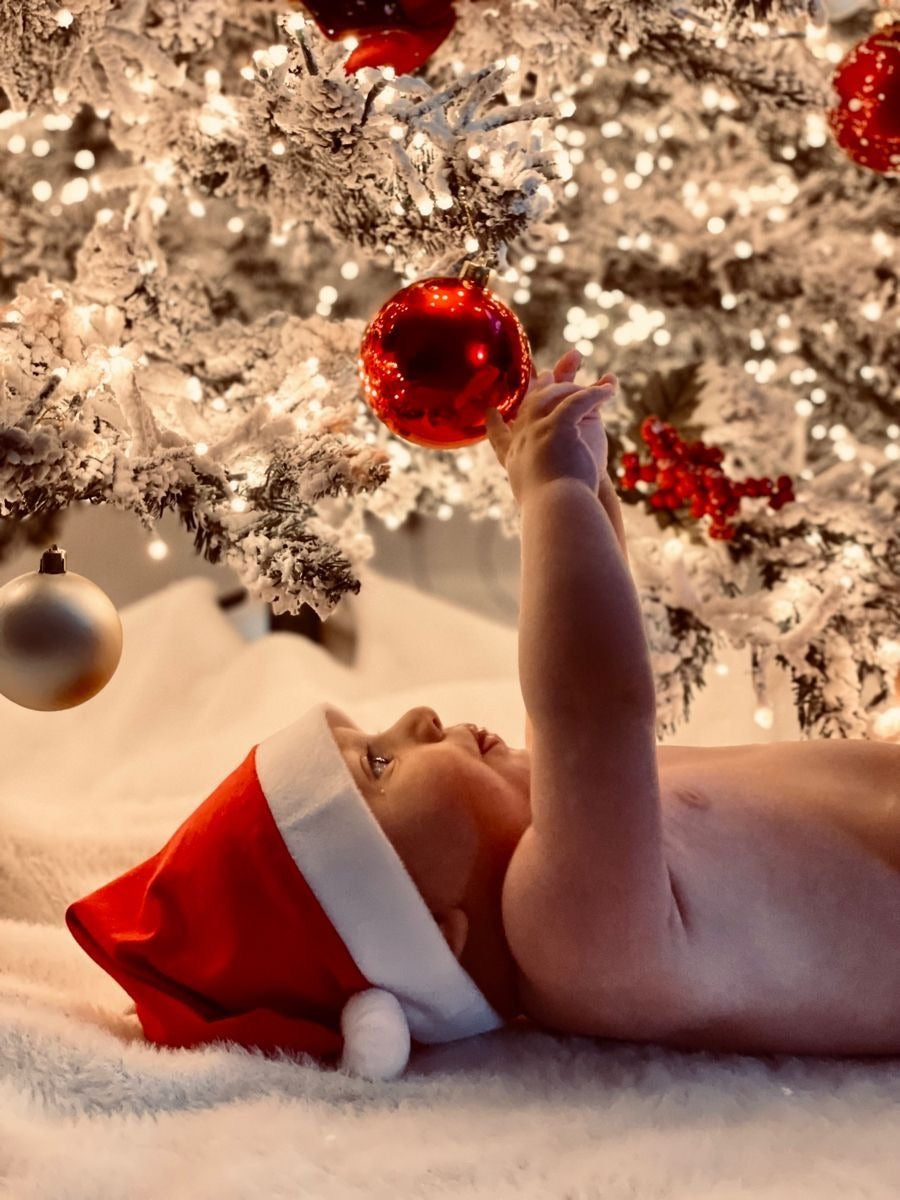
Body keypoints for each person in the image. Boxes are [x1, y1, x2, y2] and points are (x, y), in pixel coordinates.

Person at [66, 351, 900, 1081]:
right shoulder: (572, 944)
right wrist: (551, 498)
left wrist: (589, 494)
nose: (417, 718)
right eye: (379, 767)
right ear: (432, 928)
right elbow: (593, 704)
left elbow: (604, 666)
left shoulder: (567, 830)